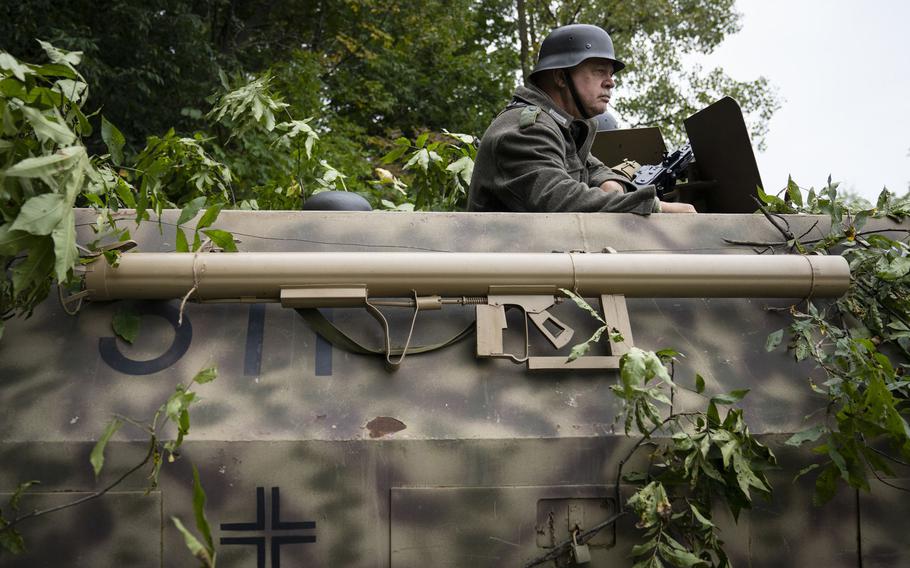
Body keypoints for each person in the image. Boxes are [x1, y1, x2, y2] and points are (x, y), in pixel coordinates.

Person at [467, 24, 695, 214]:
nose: (610, 82)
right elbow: (560, 199)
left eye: (610, 74)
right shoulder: (527, 130)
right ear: (560, 77)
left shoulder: (564, 128)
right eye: (599, 71)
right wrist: (657, 207)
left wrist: (609, 181)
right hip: (508, 264)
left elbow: (590, 166)